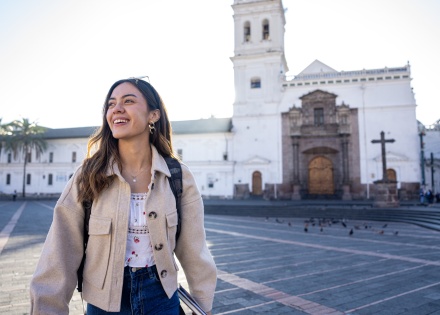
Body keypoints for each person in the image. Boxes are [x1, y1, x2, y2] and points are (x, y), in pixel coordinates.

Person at [30, 77, 217, 314]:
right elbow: (59, 252)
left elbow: (195, 250)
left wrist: (204, 306)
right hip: (104, 303)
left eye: (128, 101)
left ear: (154, 115)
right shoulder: (87, 175)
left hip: (162, 298)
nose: (117, 108)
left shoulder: (178, 177)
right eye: (111, 104)